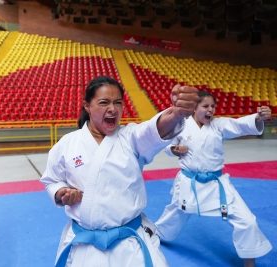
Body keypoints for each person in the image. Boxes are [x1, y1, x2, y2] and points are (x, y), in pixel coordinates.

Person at [40, 76, 199, 267]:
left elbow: (152, 130)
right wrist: (60, 193)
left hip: (131, 243)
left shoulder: (130, 138)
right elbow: (52, 180)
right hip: (86, 244)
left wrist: (176, 114)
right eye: (104, 102)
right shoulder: (67, 144)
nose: (113, 109)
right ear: (87, 106)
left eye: (118, 103)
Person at [154, 90, 273, 267]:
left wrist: (258, 117)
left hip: (217, 185)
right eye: (205, 106)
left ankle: (250, 263)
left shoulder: (219, 125)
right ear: (194, 108)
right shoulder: (182, 126)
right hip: (189, 183)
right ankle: (155, 234)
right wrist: (175, 150)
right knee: (174, 214)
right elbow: (167, 146)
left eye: (213, 106)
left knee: (247, 221)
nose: (210, 110)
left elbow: (239, 125)